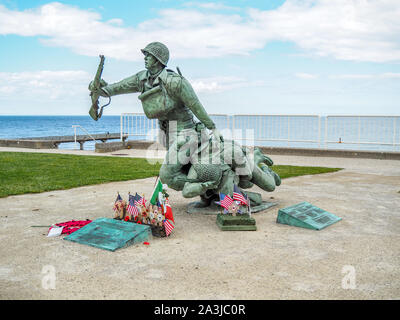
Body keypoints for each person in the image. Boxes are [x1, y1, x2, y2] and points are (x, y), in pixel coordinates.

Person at [89, 42, 280, 207]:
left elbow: (195, 105)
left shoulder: (175, 82)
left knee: (168, 175)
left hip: (187, 133)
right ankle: (212, 192)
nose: (145, 58)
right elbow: (116, 88)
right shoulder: (142, 78)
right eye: (145, 55)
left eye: (148, 55)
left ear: (158, 59)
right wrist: (100, 90)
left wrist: (212, 127)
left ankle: (218, 184)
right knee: (187, 170)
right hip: (168, 134)